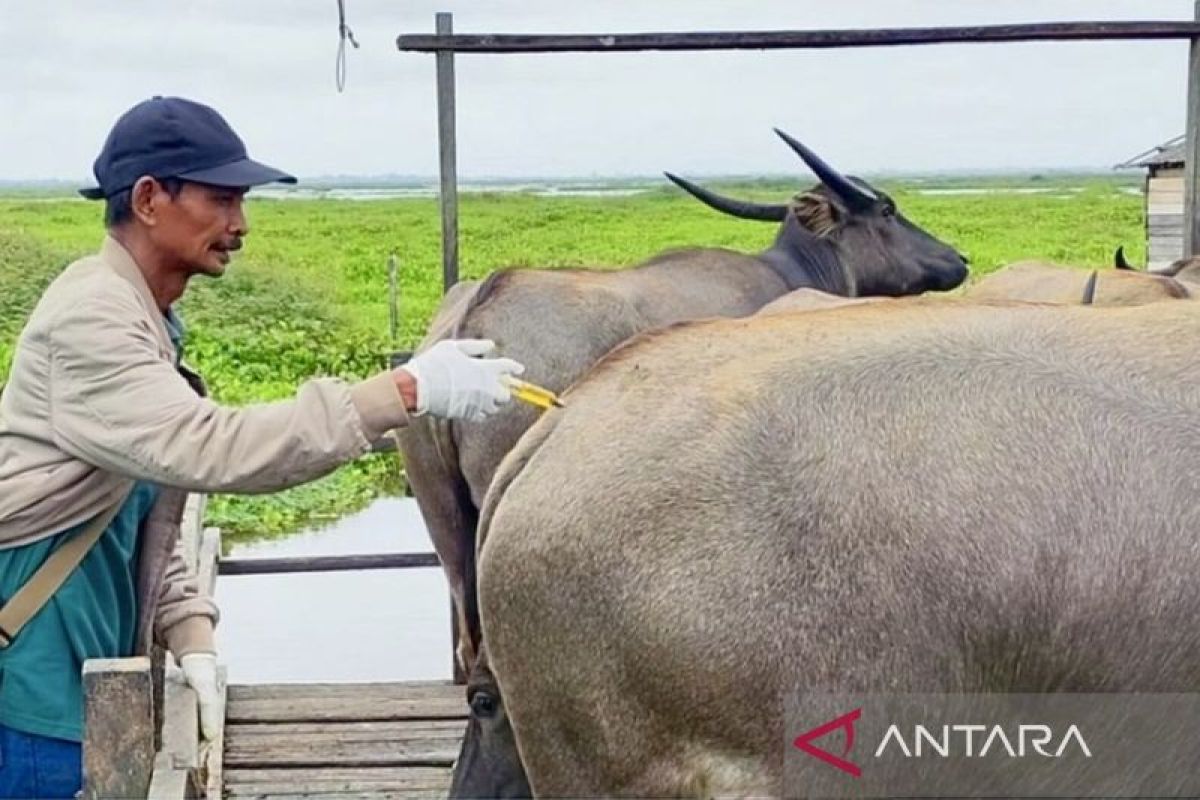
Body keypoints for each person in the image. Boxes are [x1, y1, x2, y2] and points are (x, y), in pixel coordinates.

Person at [0, 96, 524, 799]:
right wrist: (399, 392)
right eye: (220, 199)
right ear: (150, 198)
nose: (240, 224)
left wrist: (189, 632)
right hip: (38, 689)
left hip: (82, 679)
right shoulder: (92, 318)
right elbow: (210, 447)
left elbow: (135, 508)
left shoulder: (143, 315)